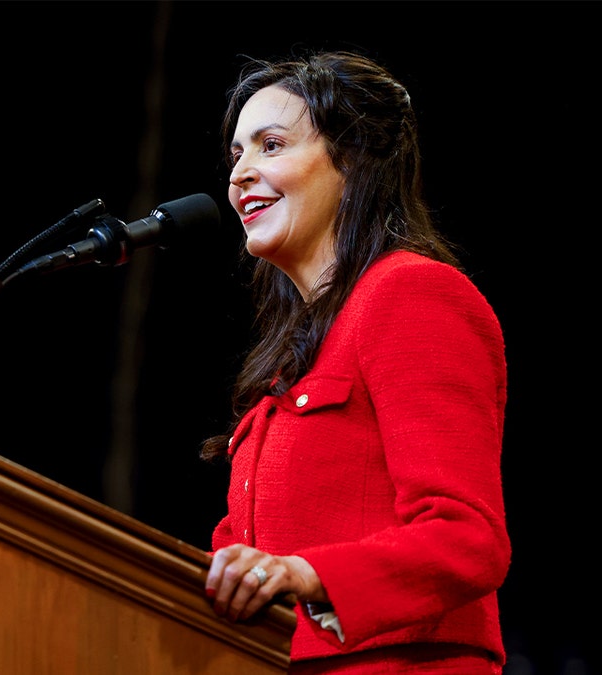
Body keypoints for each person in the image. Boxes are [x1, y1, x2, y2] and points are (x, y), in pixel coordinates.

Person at [198, 50, 510, 674]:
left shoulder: (412, 294)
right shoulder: (292, 356)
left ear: (352, 158)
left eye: (271, 144)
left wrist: (308, 574)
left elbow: (467, 537)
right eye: (237, 154)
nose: (240, 174)